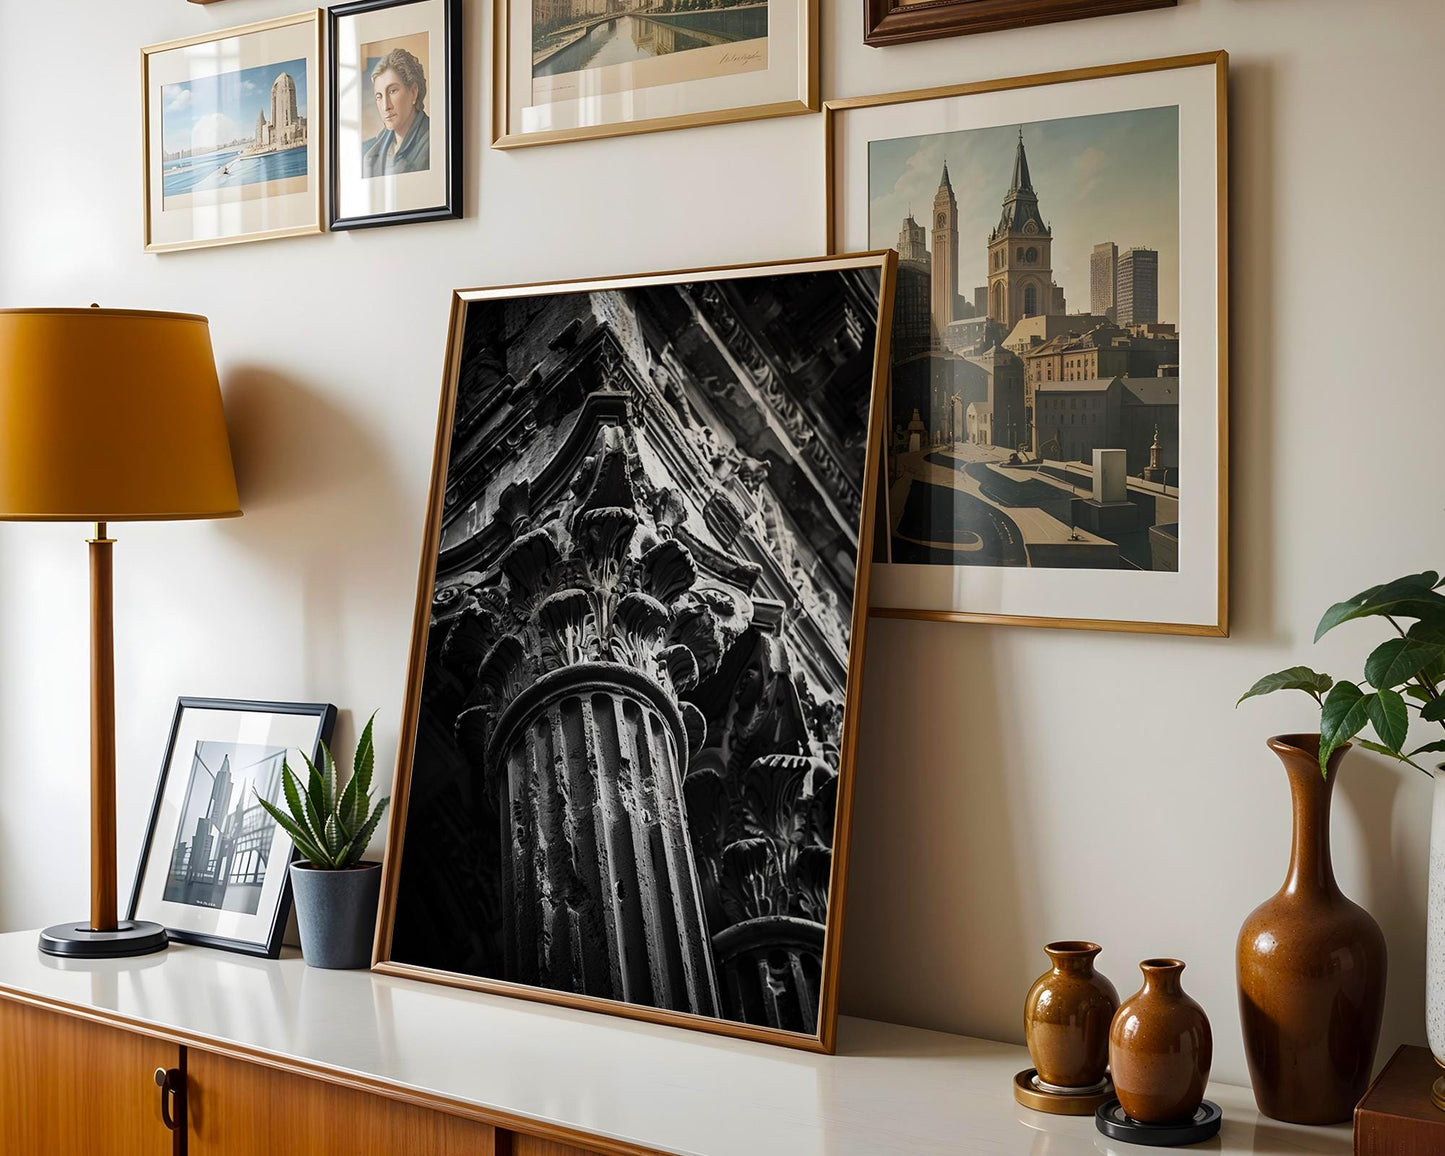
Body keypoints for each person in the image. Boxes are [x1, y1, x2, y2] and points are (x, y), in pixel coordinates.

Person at [362, 48, 430, 177]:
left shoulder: (434, 142)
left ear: (413, 92)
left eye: (392, 91)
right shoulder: (369, 151)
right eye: (379, 96)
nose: (386, 106)